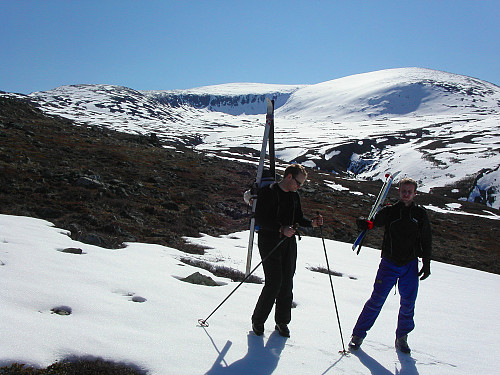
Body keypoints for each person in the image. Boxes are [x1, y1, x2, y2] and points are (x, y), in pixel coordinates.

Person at [349, 177, 432, 354]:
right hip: (389, 263)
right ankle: (358, 335)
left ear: (415, 193)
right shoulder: (390, 211)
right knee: (376, 300)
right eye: (404, 190)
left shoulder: (420, 214)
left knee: (408, 303)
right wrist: (364, 223)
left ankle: (402, 338)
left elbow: (426, 238)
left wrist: (426, 262)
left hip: (410, 264)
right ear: (399, 191)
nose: (406, 193)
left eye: (410, 191)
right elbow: (373, 223)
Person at [251, 164, 323, 338]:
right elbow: (261, 218)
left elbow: (298, 217)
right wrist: (281, 229)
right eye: (298, 183)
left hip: (288, 242)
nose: (299, 187)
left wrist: (312, 223)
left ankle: (282, 322)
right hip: (269, 241)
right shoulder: (269, 192)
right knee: (274, 281)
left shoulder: (294, 196)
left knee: (287, 282)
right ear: (289, 177)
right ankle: (258, 320)